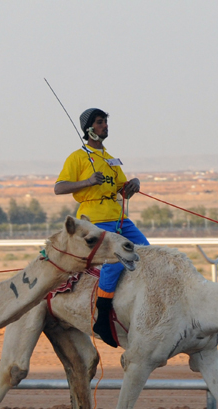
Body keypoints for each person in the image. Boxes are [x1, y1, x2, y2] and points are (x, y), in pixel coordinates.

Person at [54, 108, 149, 348]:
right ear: (88, 128)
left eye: (105, 121)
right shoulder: (77, 157)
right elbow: (59, 188)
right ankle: (103, 314)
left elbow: (121, 186)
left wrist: (133, 184)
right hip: (95, 218)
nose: (105, 125)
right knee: (115, 259)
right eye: (99, 122)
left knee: (146, 253)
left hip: (119, 218)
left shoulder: (110, 158)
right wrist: (87, 181)